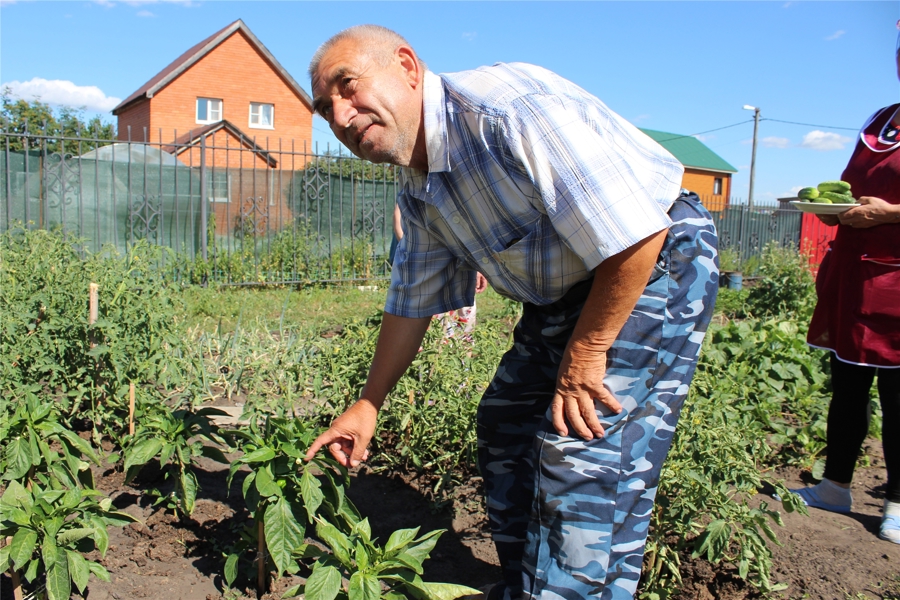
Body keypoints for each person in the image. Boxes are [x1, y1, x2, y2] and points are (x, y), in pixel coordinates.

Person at [304, 25, 719, 599]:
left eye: (349, 88)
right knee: (508, 426)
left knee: (585, 455)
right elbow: (410, 304)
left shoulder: (508, 113)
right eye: (326, 109)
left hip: (651, 262)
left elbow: (638, 234)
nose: (343, 116)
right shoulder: (419, 188)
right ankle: (535, 585)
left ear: (406, 65)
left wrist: (587, 353)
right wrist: (367, 403)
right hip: (569, 288)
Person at [785, 22, 900, 544]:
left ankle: (897, 501)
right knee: (847, 386)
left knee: (899, 396)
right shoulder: (882, 120)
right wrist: (837, 211)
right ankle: (835, 484)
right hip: (854, 275)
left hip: (897, 280)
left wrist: (890, 213)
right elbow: (851, 188)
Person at [391, 203, 489, 343]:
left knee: (464, 326)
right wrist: (414, 253)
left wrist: (477, 267)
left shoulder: (464, 185)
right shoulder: (423, 184)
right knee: (433, 330)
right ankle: (434, 363)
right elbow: (398, 218)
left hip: (463, 266)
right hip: (431, 267)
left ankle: (463, 364)